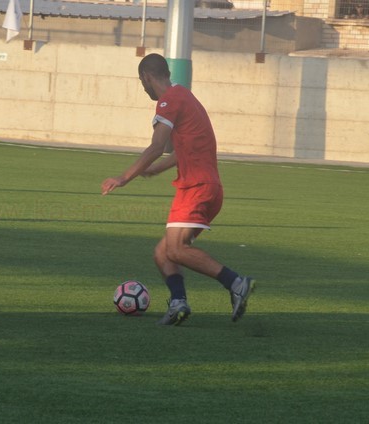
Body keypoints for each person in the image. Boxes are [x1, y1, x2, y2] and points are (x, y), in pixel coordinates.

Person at [101, 53, 255, 326]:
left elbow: (157, 146)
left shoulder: (168, 100)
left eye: (141, 81)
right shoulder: (184, 97)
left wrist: (124, 177)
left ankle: (236, 283)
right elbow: (180, 150)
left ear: (146, 77)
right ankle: (178, 303)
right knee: (163, 252)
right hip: (205, 187)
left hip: (196, 187)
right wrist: (154, 170)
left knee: (175, 249)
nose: (143, 87)